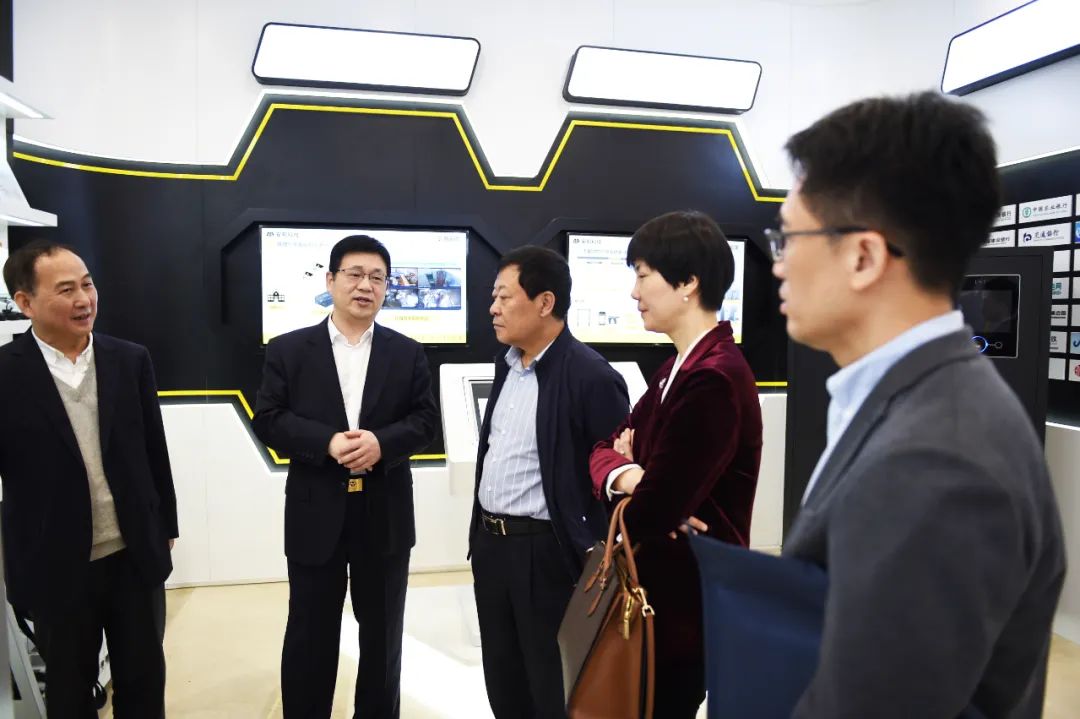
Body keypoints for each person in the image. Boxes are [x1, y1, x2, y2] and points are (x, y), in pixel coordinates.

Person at [772, 92, 1065, 717]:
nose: (779, 264)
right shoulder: (925, 402)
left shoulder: (935, 460)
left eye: (788, 237)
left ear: (863, 256)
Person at [253, 234, 438, 718]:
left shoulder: (407, 352)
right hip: (316, 513)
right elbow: (268, 418)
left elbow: (425, 421)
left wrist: (382, 444)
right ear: (331, 280)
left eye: (377, 278)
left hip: (385, 513)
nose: (366, 286)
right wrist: (327, 442)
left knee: (383, 639)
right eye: (355, 274)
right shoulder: (290, 350)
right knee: (310, 634)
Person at [589, 210, 763, 717]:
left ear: (688, 282)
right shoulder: (675, 370)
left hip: (684, 605)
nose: (634, 292)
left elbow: (651, 513)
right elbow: (601, 449)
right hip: (656, 596)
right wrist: (632, 474)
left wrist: (647, 489)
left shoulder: (714, 378)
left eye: (643, 275)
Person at [0, 241, 178, 717]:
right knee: (69, 688)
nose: (84, 299)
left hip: (133, 553)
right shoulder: (6, 373)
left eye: (88, 284)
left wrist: (166, 526)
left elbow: (154, 451)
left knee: (143, 680)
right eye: (66, 290)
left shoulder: (129, 359)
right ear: (25, 302)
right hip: (54, 563)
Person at [470, 245, 629, 719]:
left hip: (546, 554)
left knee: (550, 683)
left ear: (544, 302)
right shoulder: (507, 366)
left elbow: (609, 475)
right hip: (491, 547)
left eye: (504, 297)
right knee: (503, 677)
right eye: (493, 297)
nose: (493, 308)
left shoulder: (591, 376)